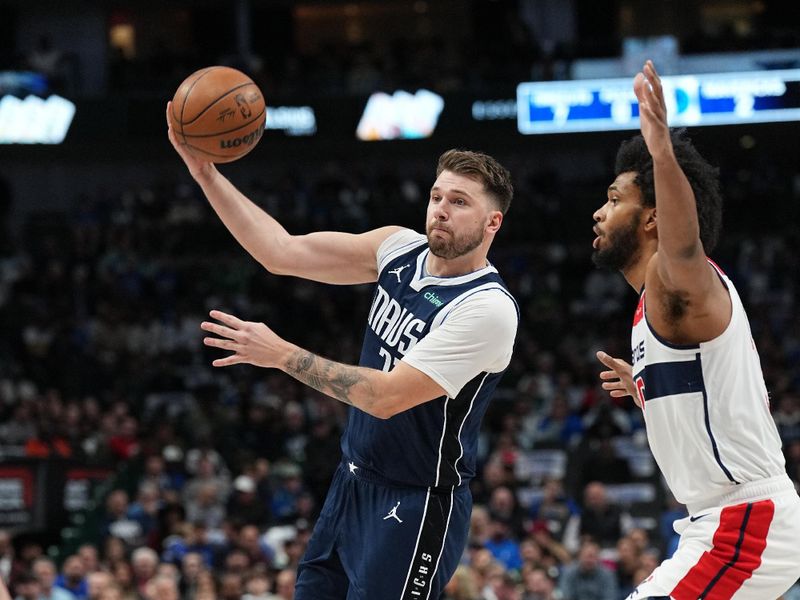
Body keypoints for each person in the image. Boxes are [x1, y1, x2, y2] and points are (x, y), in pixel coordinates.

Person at [166, 105, 518, 599]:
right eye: (437, 195)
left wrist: (282, 354)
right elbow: (280, 251)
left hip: (415, 501)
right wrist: (205, 173)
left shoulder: (488, 310)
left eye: (459, 202)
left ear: (492, 222)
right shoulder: (399, 250)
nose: (440, 208)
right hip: (350, 483)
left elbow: (386, 397)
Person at [592, 60, 800, 599]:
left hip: (744, 522)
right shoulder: (653, 310)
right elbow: (714, 406)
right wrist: (647, 388)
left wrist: (661, 150)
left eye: (615, 200)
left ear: (654, 218)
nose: (599, 212)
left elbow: (684, 247)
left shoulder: (678, 277)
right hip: (720, 522)